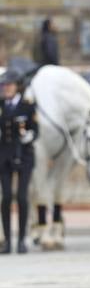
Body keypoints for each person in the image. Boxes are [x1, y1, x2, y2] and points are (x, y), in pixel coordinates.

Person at [0, 70, 37, 255]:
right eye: (3, 85)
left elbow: (35, 128)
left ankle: (22, 239)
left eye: (9, 85)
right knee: (6, 198)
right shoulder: (1, 106)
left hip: (24, 156)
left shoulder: (27, 106)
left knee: (22, 197)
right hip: (4, 157)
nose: (6, 88)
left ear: (18, 87)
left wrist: (30, 135)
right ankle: (7, 240)